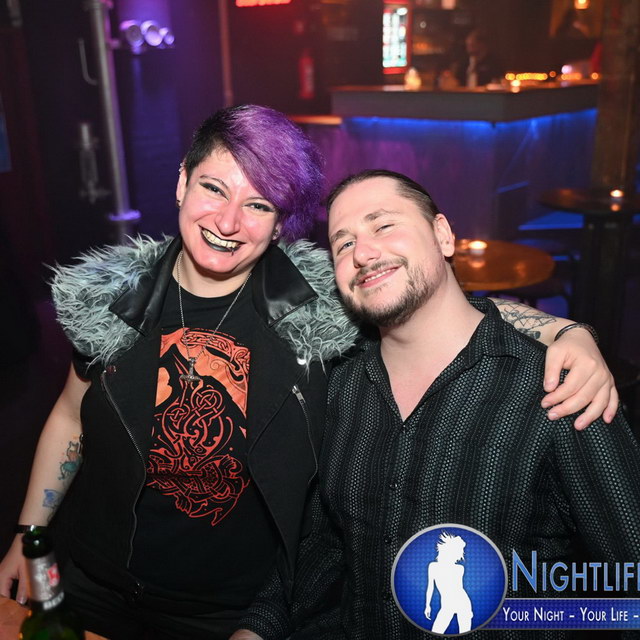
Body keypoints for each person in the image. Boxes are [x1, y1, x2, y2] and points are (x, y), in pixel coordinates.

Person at [0, 108, 617, 639]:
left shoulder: (319, 310)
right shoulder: (112, 301)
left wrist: (566, 330)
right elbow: (69, 417)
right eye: (214, 188)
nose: (229, 221)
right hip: (95, 587)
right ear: (182, 181)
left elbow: (428, 298)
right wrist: (30, 536)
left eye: (258, 204)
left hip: (229, 613)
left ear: (279, 223)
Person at [236, 170, 640, 639]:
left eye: (384, 225)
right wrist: (257, 629)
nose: (362, 253)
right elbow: (325, 544)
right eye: (343, 244)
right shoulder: (340, 385)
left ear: (443, 235)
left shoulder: (557, 387)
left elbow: (627, 590)